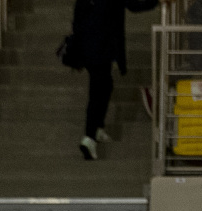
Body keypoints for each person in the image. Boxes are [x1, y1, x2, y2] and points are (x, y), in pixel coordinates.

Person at [68, 0, 160, 161]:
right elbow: (134, 5)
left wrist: (79, 52)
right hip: (102, 47)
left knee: (105, 86)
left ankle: (97, 128)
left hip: (91, 46)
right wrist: (157, 1)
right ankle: (89, 137)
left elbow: (78, 18)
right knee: (97, 91)